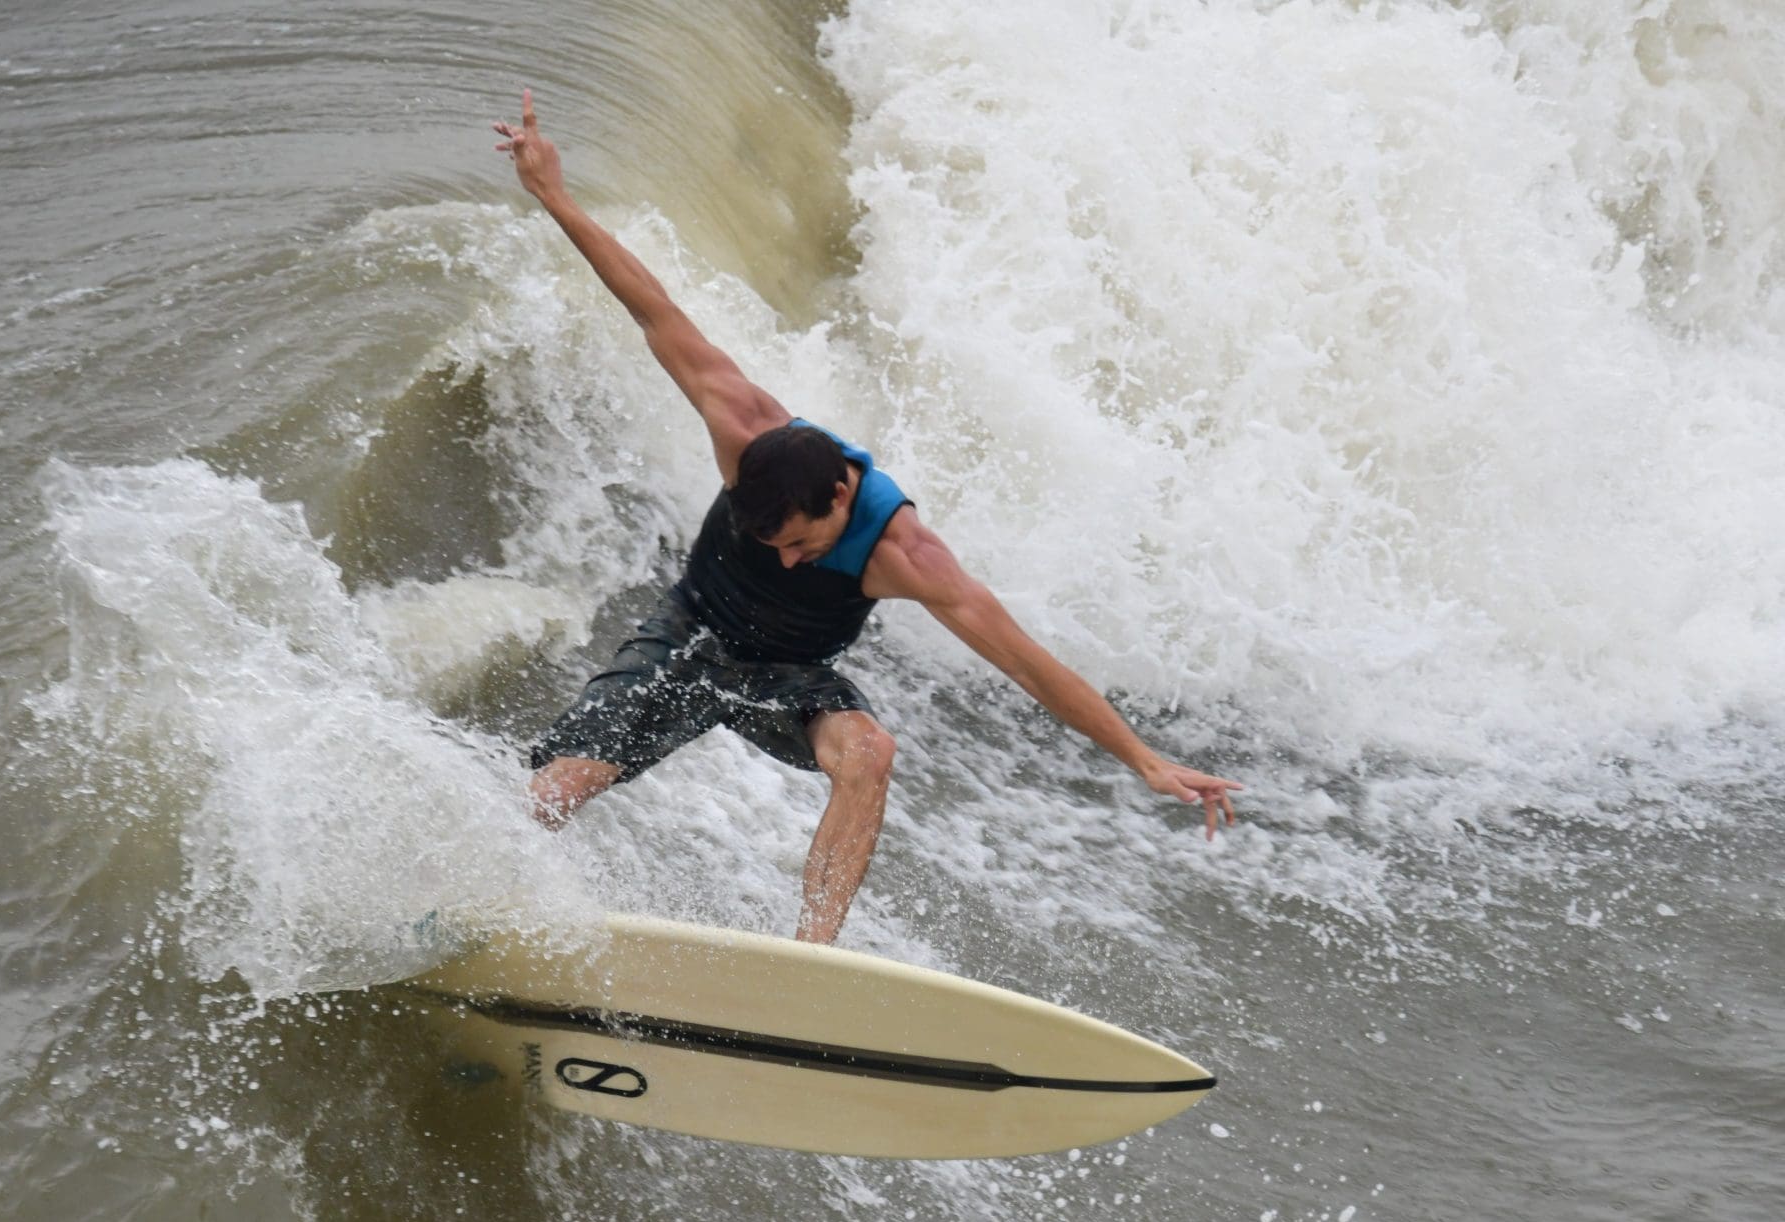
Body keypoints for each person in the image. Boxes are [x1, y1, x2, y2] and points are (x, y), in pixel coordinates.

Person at [494, 91, 1240, 946]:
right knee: (561, 784)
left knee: (870, 751)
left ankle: (813, 960)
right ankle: (468, 891)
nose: (785, 563)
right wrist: (554, 194)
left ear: (841, 502)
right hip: (690, 633)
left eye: (804, 546)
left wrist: (1143, 758)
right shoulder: (740, 423)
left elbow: (1030, 665)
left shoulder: (905, 553)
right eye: (770, 544)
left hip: (790, 675)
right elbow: (651, 307)